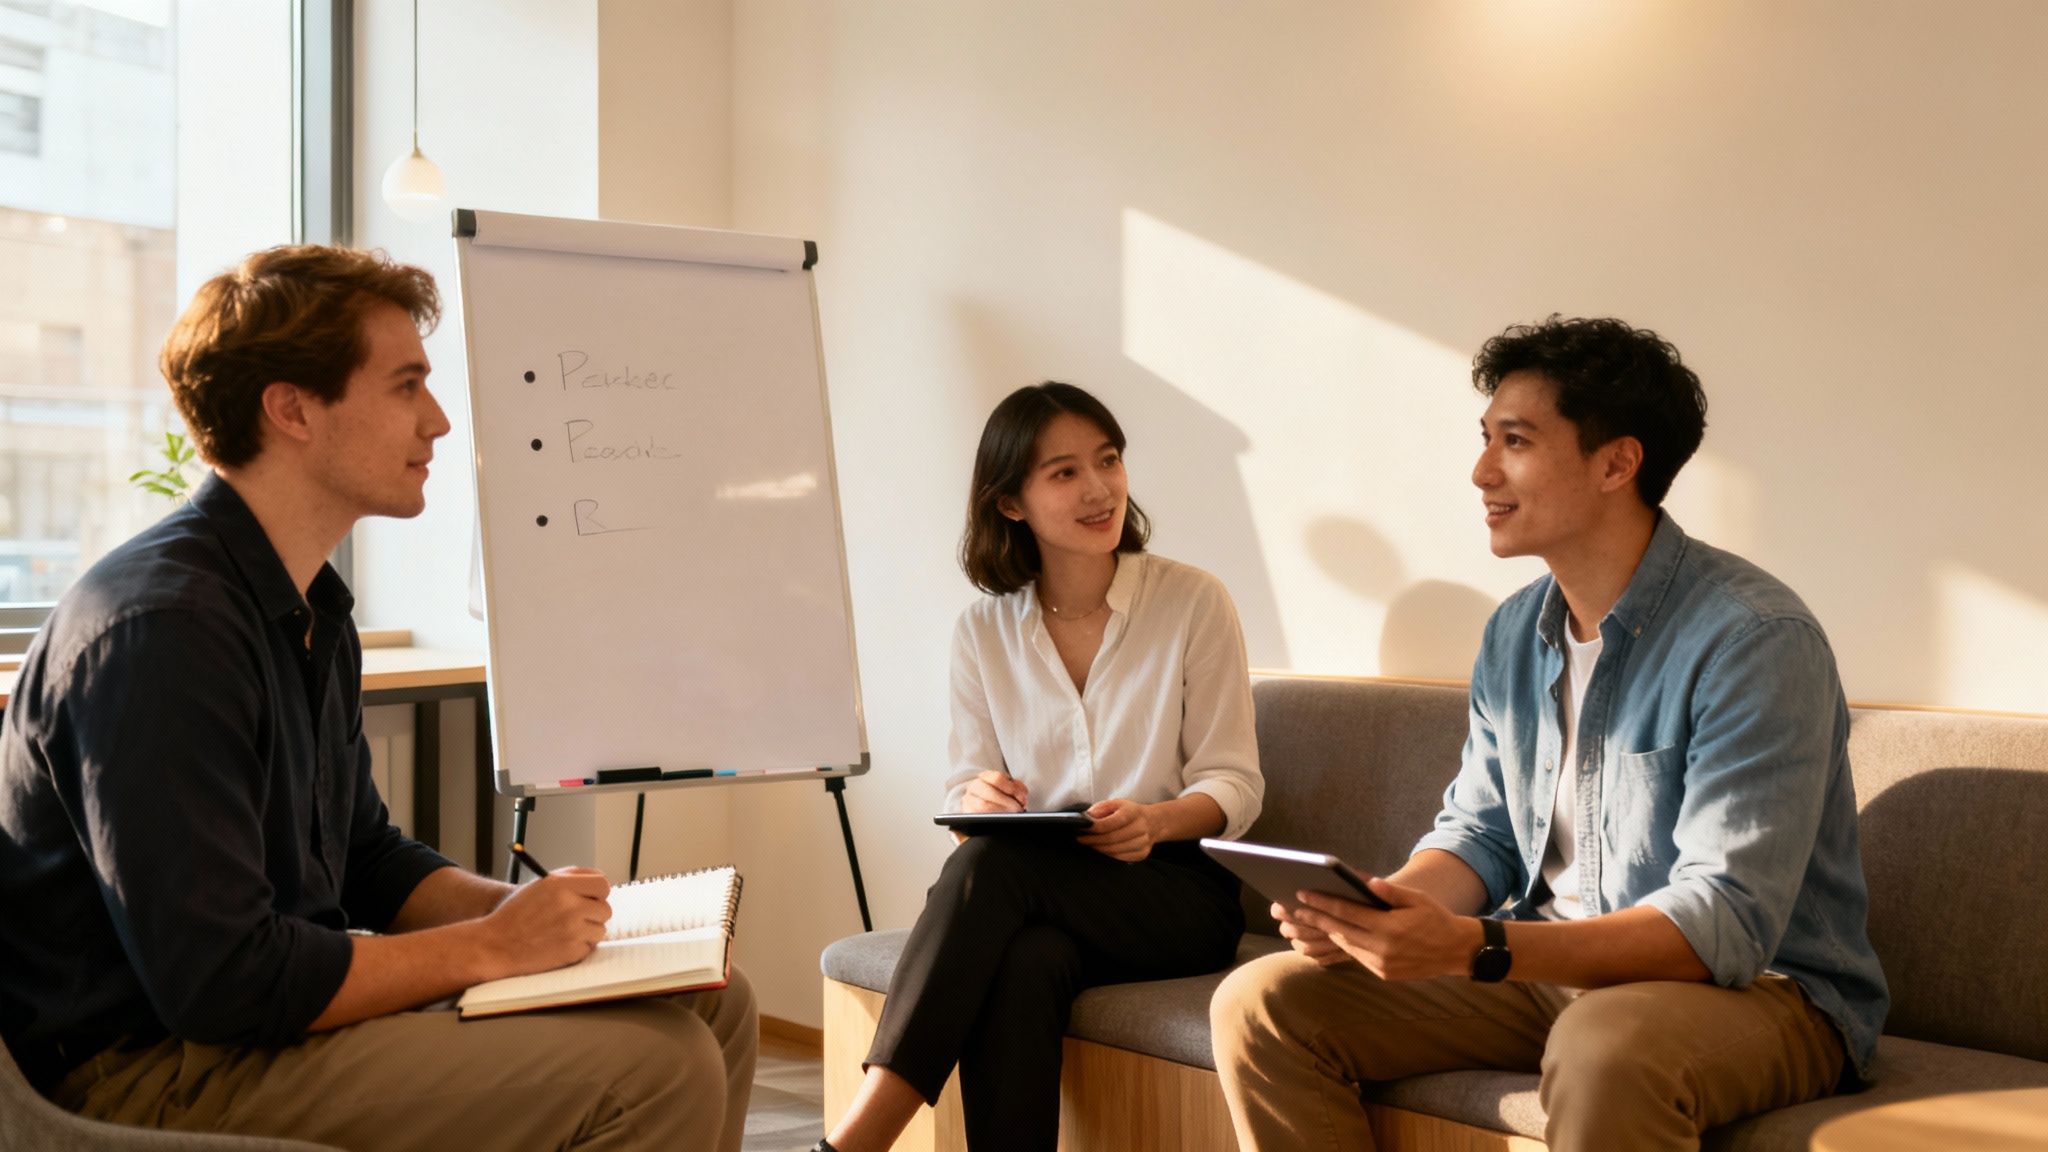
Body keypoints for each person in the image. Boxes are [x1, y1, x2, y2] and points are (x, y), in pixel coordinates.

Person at [0, 245, 757, 1151]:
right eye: (406, 386)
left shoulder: (308, 605)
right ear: (293, 409)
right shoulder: (161, 631)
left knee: (713, 1003)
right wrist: (492, 948)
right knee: (655, 1072)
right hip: (150, 1067)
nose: (438, 421)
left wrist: (558, 927)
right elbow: (221, 983)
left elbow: (364, 859)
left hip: (256, 1024)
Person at [1210, 316, 1889, 1152]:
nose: (1481, 471)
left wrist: (1477, 944)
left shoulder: (1755, 639)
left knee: (1605, 1047)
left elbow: (1725, 921)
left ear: (1617, 463)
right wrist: (1388, 911)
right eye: (1486, 438)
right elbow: (1483, 834)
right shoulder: (1515, 631)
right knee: (1264, 1003)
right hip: (1549, 968)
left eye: (1516, 441)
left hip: (1761, 993)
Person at [816, 382, 1264, 1152]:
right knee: (1027, 956)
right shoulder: (982, 632)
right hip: (1039, 894)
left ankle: (855, 1141)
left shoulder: (1192, 601)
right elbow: (966, 786)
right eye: (1063, 473)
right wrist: (979, 798)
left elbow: (1235, 783)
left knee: (994, 873)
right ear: (1011, 503)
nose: (1099, 488)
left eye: (1109, 460)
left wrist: (1155, 821)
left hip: (1175, 891)